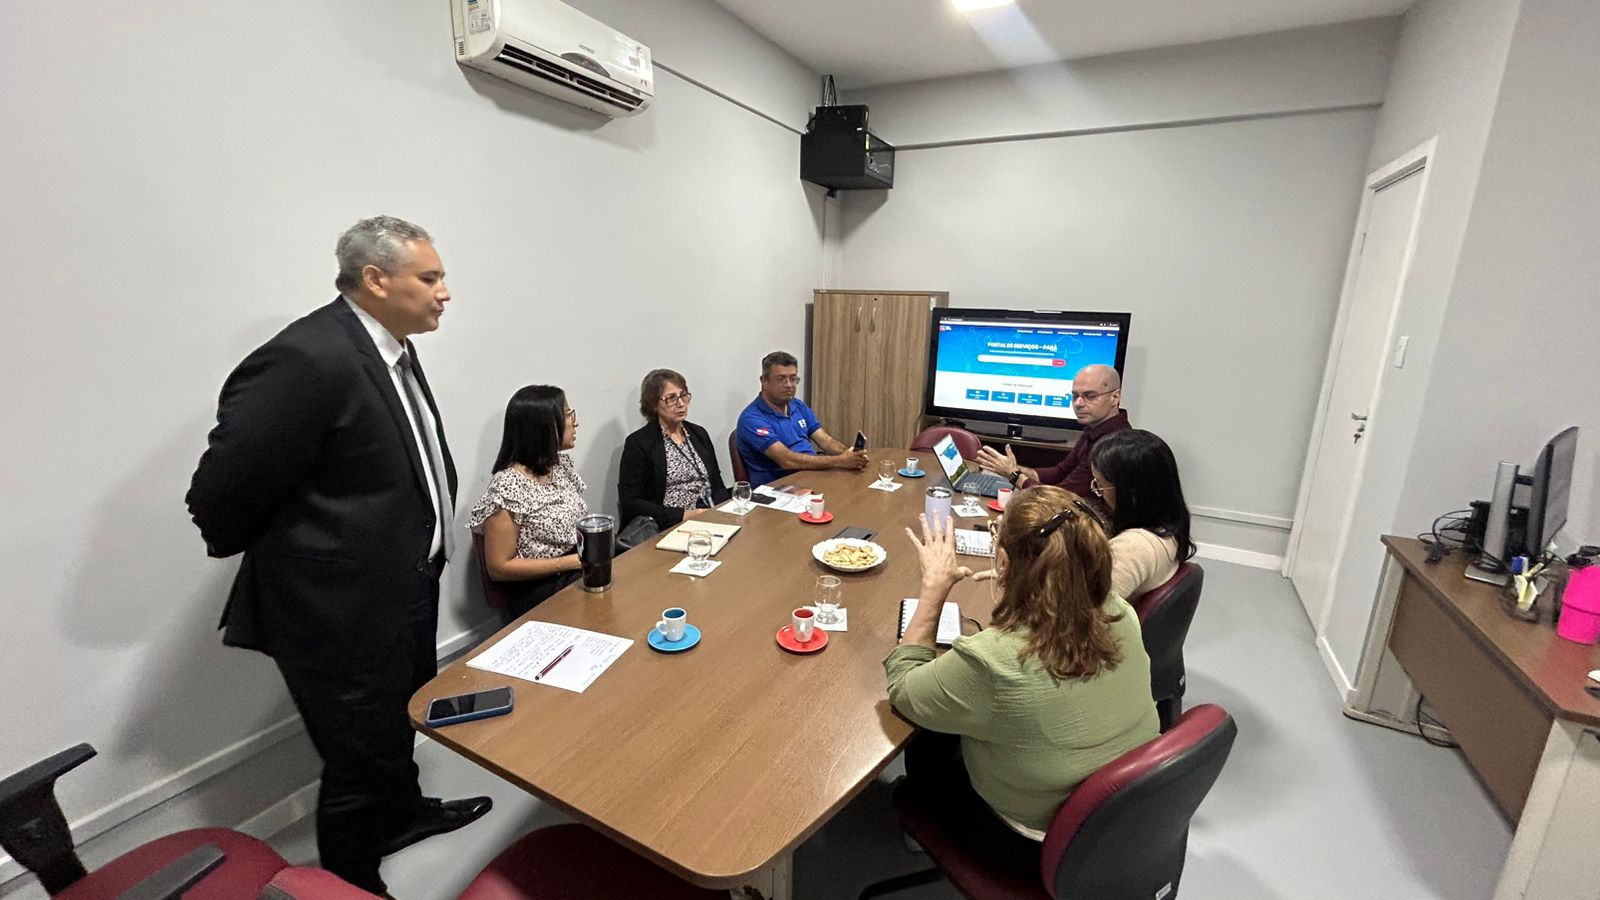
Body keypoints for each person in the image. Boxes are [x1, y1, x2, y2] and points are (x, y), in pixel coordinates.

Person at [186, 216, 490, 895]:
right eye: (430, 278)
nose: (445, 293)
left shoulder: (390, 350)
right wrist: (315, 559)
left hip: (406, 590)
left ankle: (404, 817)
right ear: (376, 278)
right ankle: (351, 883)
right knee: (358, 762)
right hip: (338, 610)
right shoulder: (309, 357)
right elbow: (220, 497)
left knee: (401, 723)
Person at [886, 488, 1159, 876]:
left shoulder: (993, 661)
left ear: (1002, 561)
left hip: (1031, 844)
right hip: (1121, 821)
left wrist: (933, 589)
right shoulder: (1122, 613)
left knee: (930, 731)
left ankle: (917, 814)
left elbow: (903, 690)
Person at [467, 385, 589, 622]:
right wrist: (572, 562)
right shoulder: (508, 485)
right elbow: (499, 567)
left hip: (574, 570)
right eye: (567, 415)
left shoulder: (560, 466)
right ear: (544, 425)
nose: (575, 423)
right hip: (540, 589)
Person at [975, 363, 1131, 509]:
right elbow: (1059, 472)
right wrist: (1013, 468)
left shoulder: (1113, 442)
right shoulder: (1095, 427)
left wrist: (1014, 475)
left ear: (1115, 398)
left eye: (1090, 396)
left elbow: (1060, 500)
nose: (1078, 403)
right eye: (1074, 396)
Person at [1090, 429, 1197, 603]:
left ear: (1131, 491)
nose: (1098, 493)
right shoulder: (1169, 526)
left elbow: (1081, 618)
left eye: (1100, 485)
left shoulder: (1131, 549)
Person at [735, 350, 868, 487]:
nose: (789, 385)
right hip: (778, 490)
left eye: (793, 379)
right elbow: (787, 460)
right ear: (764, 381)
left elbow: (826, 441)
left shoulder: (797, 405)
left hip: (810, 477)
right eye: (781, 379)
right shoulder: (752, 418)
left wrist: (850, 456)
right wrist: (839, 461)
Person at [618, 368, 731, 529]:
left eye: (683, 395)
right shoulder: (639, 443)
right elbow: (631, 502)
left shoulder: (698, 434)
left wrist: (724, 512)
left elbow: (716, 483)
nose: (681, 403)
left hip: (709, 516)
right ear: (653, 404)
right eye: (671, 398)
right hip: (669, 524)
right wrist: (682, 515)